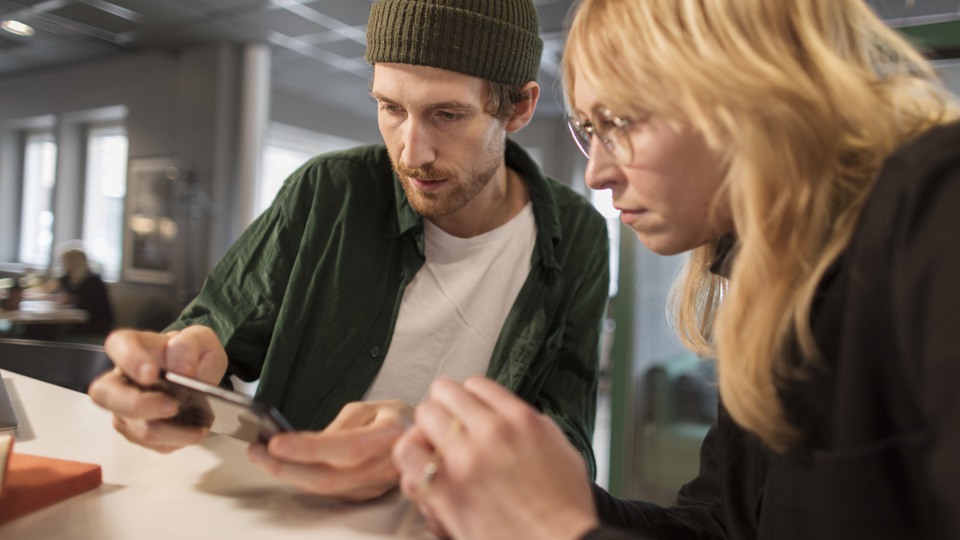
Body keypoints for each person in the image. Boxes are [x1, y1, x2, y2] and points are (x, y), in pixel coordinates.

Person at [391, 0, 960, 538]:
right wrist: (540, 495)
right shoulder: (769, 297)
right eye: (589, 131)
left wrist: (563, 526)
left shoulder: (935, 202)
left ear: (747, 94)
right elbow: (717, 526)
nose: (597, 174)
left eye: (618, 121)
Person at [88, 0, 610, 503]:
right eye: (390, 108)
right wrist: (177, 371)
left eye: (447, 114)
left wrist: (439, 445)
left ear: (518, 107)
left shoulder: (577, 232)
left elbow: (569, 448)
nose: (411, 153)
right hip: (291, 511)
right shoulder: (326, 193)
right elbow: (218, 326)